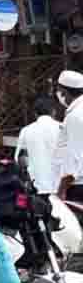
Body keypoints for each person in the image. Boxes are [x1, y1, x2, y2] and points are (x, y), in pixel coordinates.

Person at [17, 95, 63, 195]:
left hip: (36, 188)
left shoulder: (26, 131)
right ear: (53, 111)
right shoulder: (62, 128)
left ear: (35, 113)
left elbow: (20, 160)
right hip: (61, 187)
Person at [52, 70, 83, 199]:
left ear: (64, 92)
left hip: (77, 186)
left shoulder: (75, 116)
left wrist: (62, 190)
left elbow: (75, 156)